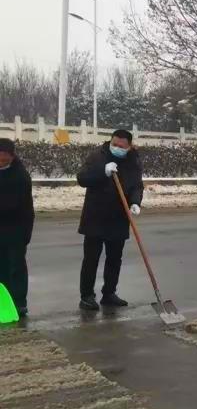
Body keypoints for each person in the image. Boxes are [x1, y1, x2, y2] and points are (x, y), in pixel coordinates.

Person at [77, 129, 143, 311]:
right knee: (91, 259)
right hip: (95, 216)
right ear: (110, 141)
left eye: (121, 146)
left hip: (119, 217)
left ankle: (109, 293)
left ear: (129, 147)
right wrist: (103, 172)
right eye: (114, 144)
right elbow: (82, 178)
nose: (117, 148)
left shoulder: (133, 161)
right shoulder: (98, 157)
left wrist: (136, 202)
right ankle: (87, 296)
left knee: (115, 258)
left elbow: (137, 185)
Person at [0, 138, 33, 319]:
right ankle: (4, 300)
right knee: (1, 267)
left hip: (16, 229)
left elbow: (12, 206)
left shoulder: (20, 176)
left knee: (16, 267)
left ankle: (20, 302)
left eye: (4, 158)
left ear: (12, 157)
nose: (1, 161)